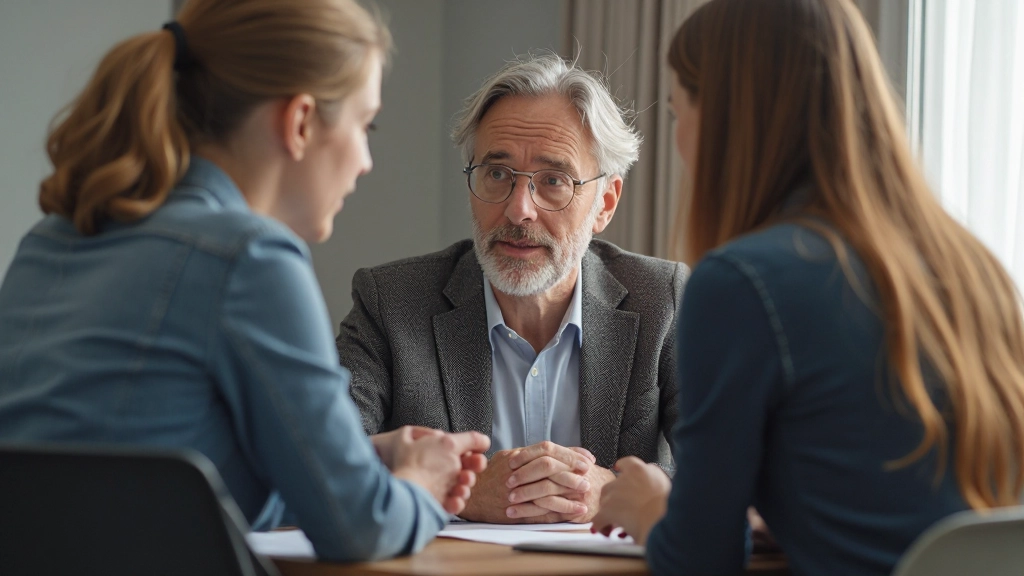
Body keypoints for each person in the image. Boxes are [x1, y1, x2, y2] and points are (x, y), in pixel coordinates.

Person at [0, 0, 490, 563]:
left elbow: (146, 480)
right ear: (300, 122)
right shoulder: (251, 257)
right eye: (365, 125)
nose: (366, 161)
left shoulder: (50, 239)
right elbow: (360, 524)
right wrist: (424, 483)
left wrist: (366, 457)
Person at [591, 0, 1024, 574]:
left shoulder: (740, 284)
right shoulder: (975, 268)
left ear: (722, 119)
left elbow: (702, 558)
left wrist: (651, 509)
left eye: (677, 111)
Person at [336, 54, 687, 524]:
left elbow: (727, 472)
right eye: (497, 174)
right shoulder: (391, 302)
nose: (519, 209)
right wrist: (455, 490)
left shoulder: (663, 299)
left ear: (604, 204)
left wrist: (617, 491)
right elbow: (327, 459)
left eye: (554, 181)